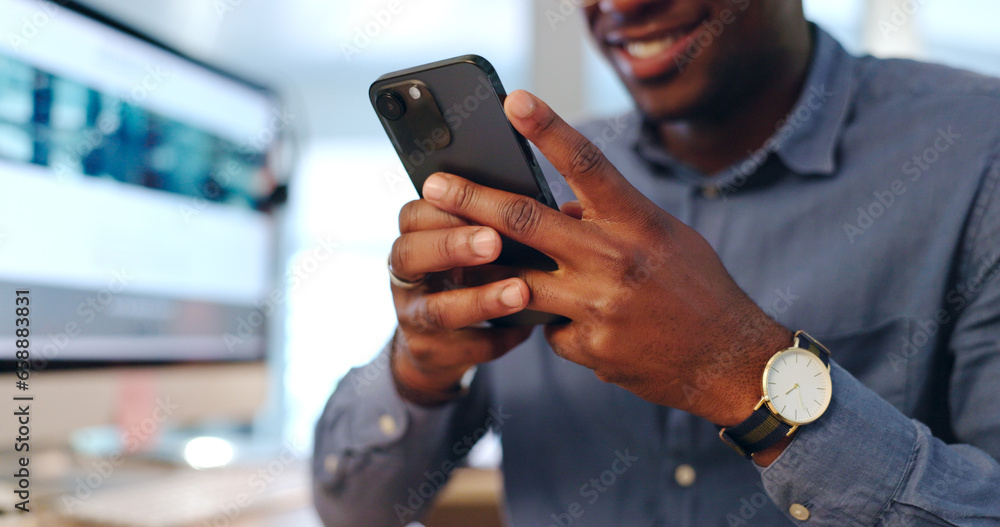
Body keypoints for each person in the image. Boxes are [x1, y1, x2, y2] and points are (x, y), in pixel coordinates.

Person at [314, 0, 1000, 525]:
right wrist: (420, 370)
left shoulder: (977, 154)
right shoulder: (543, 184)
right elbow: (352, 508)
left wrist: (742, 371)